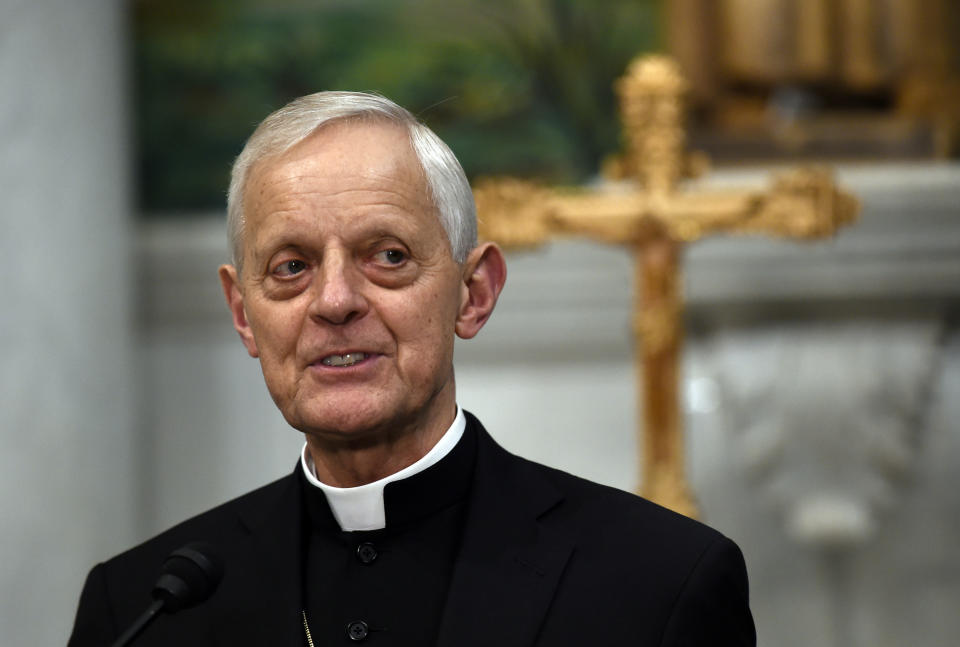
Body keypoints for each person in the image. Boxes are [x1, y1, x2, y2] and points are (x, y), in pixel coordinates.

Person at [68, 92, 755, 646]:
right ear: (244, 313)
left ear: (474, 292)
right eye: (291, 267)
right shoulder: (142, 609)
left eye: (388, 255)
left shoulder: (658, 583)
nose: (335, 300)